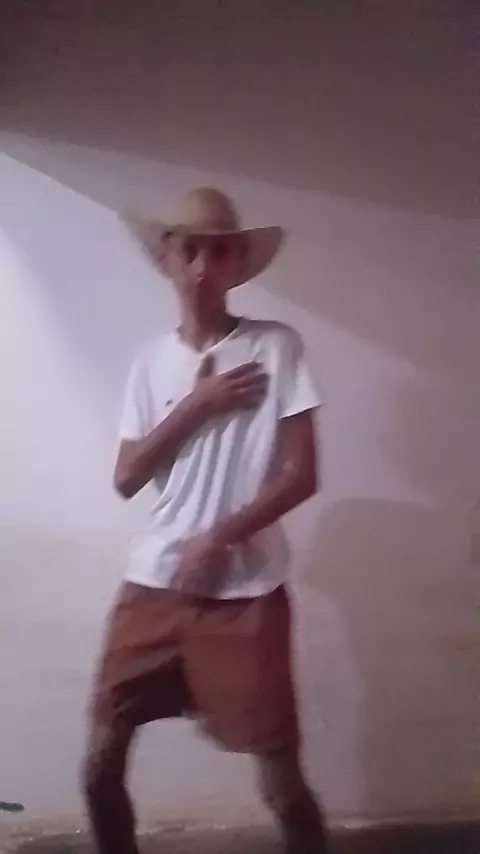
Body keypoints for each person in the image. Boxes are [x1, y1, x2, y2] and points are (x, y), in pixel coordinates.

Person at [82, 187, 328, 853]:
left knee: (282, 784)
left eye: (218, 253)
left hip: (246, 595)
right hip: (153, 587)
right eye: (189, 251)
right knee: (98, 766)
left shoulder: (275, 347)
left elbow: (302, 474)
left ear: (237, 262)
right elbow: (126, 478)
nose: (201, 268)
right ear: (166, 258)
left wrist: (222, 536)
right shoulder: (149, 363)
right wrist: (198, 404)